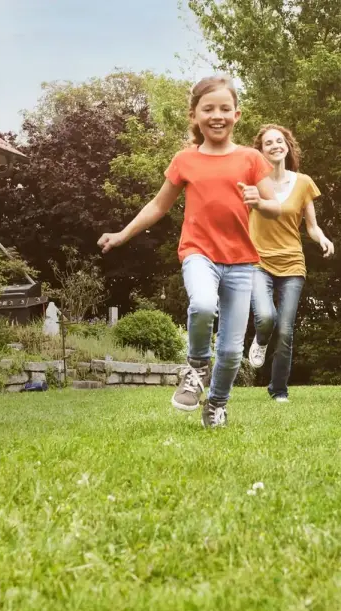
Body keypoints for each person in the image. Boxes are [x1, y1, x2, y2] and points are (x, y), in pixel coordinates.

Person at [97, 75, 281, 428]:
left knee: (230, 353)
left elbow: (275, 207)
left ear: (237, 115)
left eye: (225, 109)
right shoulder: (185, 160)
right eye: (208, 108)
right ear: (194, 115)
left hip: (242, 263)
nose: (217, 115)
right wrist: (122, 234)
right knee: (202, 305)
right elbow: (157, 206)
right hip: (199, 254)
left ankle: (217, 404)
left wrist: (260, 201)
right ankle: (196, 365)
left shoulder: (251, 158)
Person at [244, 124, 334, 402]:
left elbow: (311, 226)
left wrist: (322, 238)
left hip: (293, 263)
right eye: (268, 143)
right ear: (260, 151)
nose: (274, 146)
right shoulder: (253, 185)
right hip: (258, 260)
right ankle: (260, 340)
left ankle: (278, 390)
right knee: (267, 318)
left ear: (287, 146)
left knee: (285, 329)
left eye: (279, 141)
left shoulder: (303, 182)